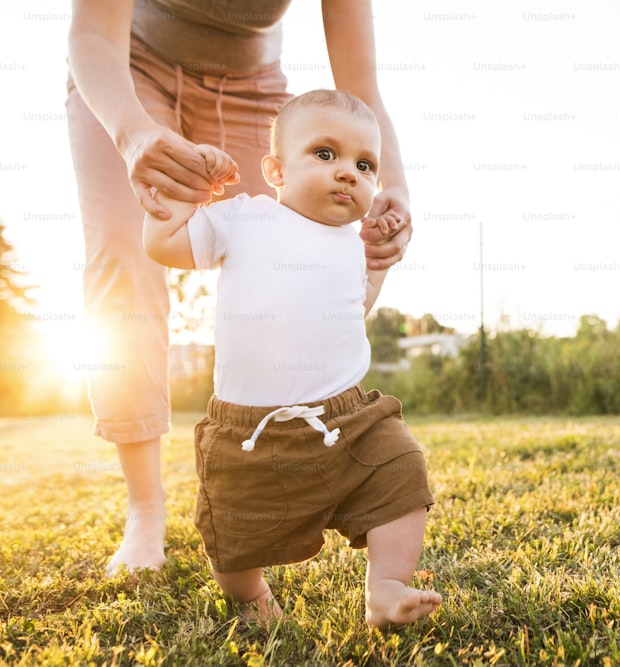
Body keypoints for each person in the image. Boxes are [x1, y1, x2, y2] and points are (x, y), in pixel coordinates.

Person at [66, 0, 413, 576]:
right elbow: (93, 37)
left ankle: (289, 471)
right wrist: (133, 138)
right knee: (124, 253)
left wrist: (393, 189)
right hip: (125, 69)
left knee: (292, 252)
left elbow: (360, 84)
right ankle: (145, 509)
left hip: (254, 86)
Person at [142, 89, 441, 627]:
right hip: (249, 432)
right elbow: (166, 245)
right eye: (325, 154)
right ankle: (251, 595)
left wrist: (378, 265)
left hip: (348, 421)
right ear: (275, 170)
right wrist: (182, 193)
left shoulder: (351, 242)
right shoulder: (245, 218)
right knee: (231, 541)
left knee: (402, 472)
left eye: (364, 164)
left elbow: (356, 308)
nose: (348, 172)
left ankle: (387, 585)